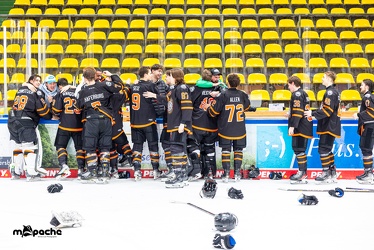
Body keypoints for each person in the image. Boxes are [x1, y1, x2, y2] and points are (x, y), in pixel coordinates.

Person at [76, 67, 125, 183]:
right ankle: (104, 172)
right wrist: (112, 75)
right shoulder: (104, 85)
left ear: (84, 78)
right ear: (95, 76)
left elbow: (78, 108)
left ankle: (92, 172)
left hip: (91, 120)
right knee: (105, 147)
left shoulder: (82, 92)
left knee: (90, 147)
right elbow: (120, 86)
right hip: (106, 120)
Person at [205, 73, 256, 182]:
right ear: (238, 83)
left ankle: (226, 174)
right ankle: (237, 174)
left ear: (227, 82)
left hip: (225, 128)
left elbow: (213, 112)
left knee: (226, 151)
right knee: (238, 150)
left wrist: (208, 108)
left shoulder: (223, 95)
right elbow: (247, 107)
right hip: (239, 128)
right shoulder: (243, 94)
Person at [7, 74, 52, 181]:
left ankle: (16, 172)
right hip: (25, 121)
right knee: (29, 146)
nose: (38, 83)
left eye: (39, 81)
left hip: (13, 120)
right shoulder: (37, 92)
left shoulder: (20, 89)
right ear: (31, 81)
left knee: (18, 146)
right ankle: (31, 173)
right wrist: (49, 114)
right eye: (36, 80)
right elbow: (42, 111)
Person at [304, 71, 341, 184]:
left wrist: (312, 114)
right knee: (327, 149)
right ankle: (331, 172)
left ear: (330, 79)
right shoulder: (333, 92)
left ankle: (326, 173)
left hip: (329, 125)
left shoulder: (330, 92)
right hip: (331, 125)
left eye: (324, 77)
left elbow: (327, 110)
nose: (322, 79)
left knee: (323, 149)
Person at [130, 66, 160, 181]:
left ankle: (137, 171)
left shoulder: (133, 87)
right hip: (148, 122)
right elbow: (161, 97)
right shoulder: (150, 85)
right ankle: (155, 170)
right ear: (146, 74)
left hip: (135, 122)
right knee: (153, 146)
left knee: (137, 147)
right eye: (149, 73)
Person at [189, 69, 220, 180]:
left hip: (197, 124)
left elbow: (188, 106)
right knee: (209, 149)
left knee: (193, 147)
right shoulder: (219, 88)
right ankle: (211, 172)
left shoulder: (195, 89)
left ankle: (196, 171)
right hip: (212, 125)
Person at [51, 78, 85, 179]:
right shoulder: (79, 91)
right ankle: (81, 169)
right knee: (79, 148)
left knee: (60, 146)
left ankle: (64, 166)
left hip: (64, 125)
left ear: (60, 86)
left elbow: (56, 110)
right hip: (78, 126)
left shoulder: (61, 93)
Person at [164, 68, 193, 188]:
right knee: (176, 149)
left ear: (175, 77)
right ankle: (180, 174)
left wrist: (183, 123)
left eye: (168, 76)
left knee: (177, 149)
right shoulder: (175, 89)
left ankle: (180, 175)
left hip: (179, 124)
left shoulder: (182, 88)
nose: (166, 78)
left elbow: (187, 107)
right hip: (174, 124)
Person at [287, 76, 313, 184]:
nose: (288, 87)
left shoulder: (297, 94)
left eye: (288, 85)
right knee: (299, 149)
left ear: (293, 83)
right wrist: (290, 113)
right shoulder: (303, 93)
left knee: (299, 148)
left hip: (301, 126)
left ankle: (302, 173)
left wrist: (292, 126)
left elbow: (298, 111)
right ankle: (302, 172)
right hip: (304, 125)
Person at [353, 79, 374, 184]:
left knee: (366, 148)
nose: (360, 87)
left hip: (369, 126)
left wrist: (358, 114)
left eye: (361, 85)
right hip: (368, 126)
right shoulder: (368, 96)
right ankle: (368, 172)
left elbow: (371, 111)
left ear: (367, 87)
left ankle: (369, 173)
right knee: (365, 148)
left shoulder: (367, 96)